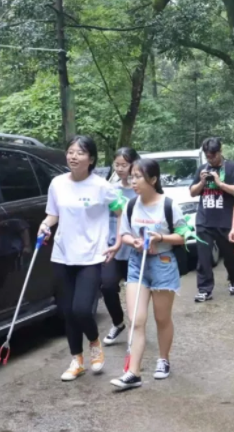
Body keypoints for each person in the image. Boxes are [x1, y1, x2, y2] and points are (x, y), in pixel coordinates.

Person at [38, 135, 124, 382]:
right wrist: (45, 225)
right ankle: (76, 360)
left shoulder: (102, 186)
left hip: (91, 256)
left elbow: (121, 211)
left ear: (91, 159)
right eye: (70, 152)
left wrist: (118, 241)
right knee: (67, 311)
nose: (73, 156)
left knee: (82, 310)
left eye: (80, 152)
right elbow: (53, 214)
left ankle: (94, 342)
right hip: (62, 254)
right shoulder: (57, 183)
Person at [110, 159, 187, 391]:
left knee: (162, 318)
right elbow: (124, 233)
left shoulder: (169, 205)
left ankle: (163, 359)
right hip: (137, 264)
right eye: (132, 177)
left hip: (163, 264)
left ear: (153, 180)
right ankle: (133, 372)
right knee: (136, 318)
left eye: (138, 177)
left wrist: (160, 238)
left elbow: (182, 235)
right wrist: (132, 241)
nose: (133, 182)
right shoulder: (131, 205)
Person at [189, 138, 234, 302]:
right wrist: (202, 182)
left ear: (220, 151)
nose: (210, 159)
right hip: (204, 221)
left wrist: (220, 183)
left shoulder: (231, 168)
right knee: (203, 258)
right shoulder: (203, 169)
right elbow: (192, 192)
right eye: (208, 156)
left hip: (226, 220)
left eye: (213, 155)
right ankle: (204, 289)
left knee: (231, 257)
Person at [101, 147, 140, 345]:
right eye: (116, 164)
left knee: (137, 292)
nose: (120, 168)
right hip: (113, 247)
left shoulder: (140, 190)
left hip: (134, 248)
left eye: (124, 165)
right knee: (107, 285)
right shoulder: (110, 189)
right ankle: (118, 322)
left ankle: (137, 328)